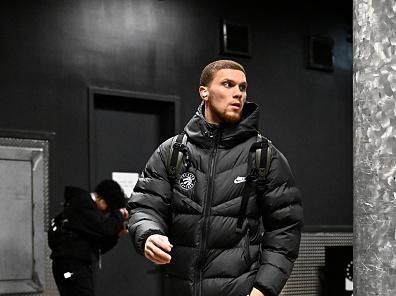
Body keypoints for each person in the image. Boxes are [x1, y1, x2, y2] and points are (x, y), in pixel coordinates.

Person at [128, 59, 303, 296]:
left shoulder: (264, 155)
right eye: (228, 84)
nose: (237, 94)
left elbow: (285, 229)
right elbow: (144, 206)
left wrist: (263, 288)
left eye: (242, 87)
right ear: (204, 92)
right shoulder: (173, 151)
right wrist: (148, 234)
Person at [49, 179, 129, 296]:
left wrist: (116, 234)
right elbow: (105, 228)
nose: (105, 213)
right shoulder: (83, 204)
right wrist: (119, 214)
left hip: (74, 264)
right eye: (107, 209)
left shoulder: (85, 212)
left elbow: (98, 246)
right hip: (71, 264)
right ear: (100, 199)